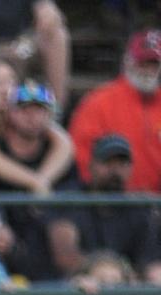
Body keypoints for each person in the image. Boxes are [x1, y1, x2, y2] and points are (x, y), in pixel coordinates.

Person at [0, 79, 75, 281]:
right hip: (2, 243)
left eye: (39, 110)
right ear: (10, 112)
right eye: (24, 109)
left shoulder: (56, 152)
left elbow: (70, 194)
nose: (32, 117)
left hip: (44, 245)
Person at [48, 135, 160, 280]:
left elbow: (149, 259)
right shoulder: (70, 200)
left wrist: (127, 276)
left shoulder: (139, 209)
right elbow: (66, 257)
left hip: (127, 286)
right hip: (79, 286)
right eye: (107, 162)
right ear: (91, 165)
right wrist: (109, 270)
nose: (115, 170)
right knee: (105, 275)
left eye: (122, 164)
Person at [69, 30, 161, 194]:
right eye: (142, 63)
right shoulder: (98, 102)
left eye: (153, 64)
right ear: (127, 62)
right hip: (112, 202)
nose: (148, 70)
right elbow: (82, 158)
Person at [0, 58, 73, 196]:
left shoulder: (20, 113)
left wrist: (43, 179)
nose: (4, 89)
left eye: (10, 81)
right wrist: (35, 182)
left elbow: (64, 143)